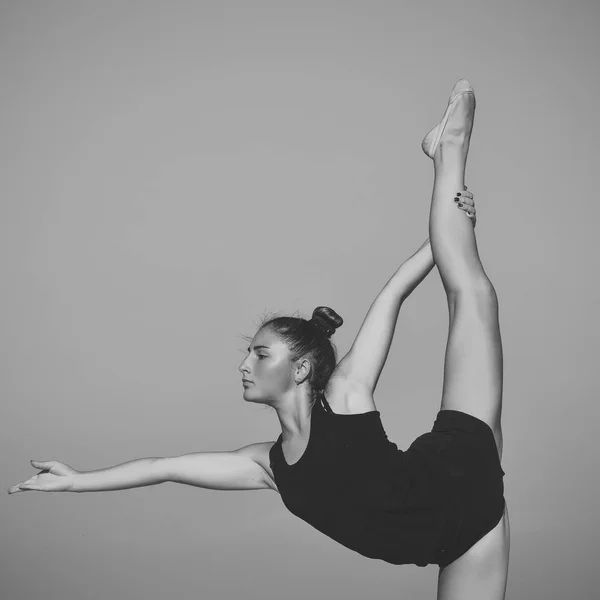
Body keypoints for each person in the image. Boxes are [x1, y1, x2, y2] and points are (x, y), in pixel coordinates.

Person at [9, 79, 509, 599]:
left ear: (300, 369)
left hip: (460, 470)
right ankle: (451, 209)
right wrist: (74, 480)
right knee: (465, 273)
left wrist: (448, 230)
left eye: (260, 353)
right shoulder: (268, 468)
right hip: (459, 538)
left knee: (471, 293)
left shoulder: (345, 396)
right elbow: (161, 468)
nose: (245, 364)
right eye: (248, 352)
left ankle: (449, 149)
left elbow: (394, 294)